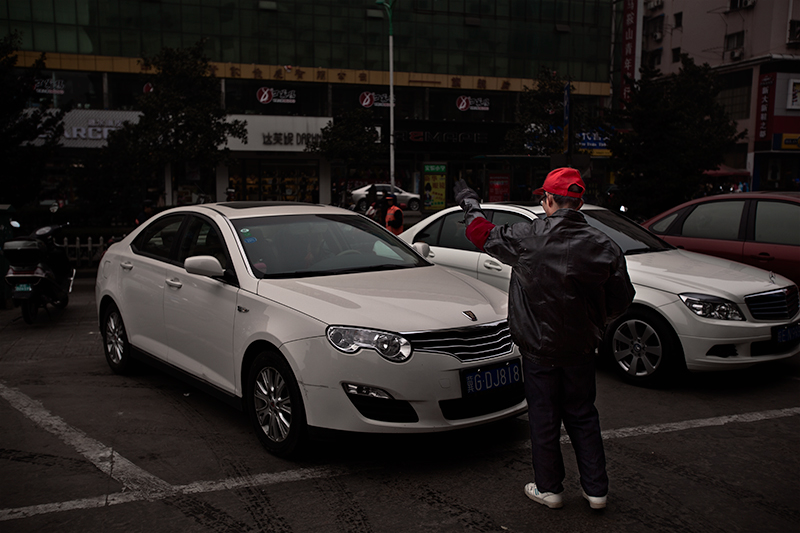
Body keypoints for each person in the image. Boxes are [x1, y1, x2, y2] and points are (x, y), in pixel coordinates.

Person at [454, 168, 635, 510]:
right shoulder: (604, 245)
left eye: (544, 197)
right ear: (579, 203)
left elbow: (480, 233)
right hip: (581, 347)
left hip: (538, 349)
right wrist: (594, 322)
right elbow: (621, 300)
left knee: (543, 416)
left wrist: (470, 203)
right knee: (583, 414)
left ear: (548, 199)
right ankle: (596, 490)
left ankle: (549, 488)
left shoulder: (527, 237)